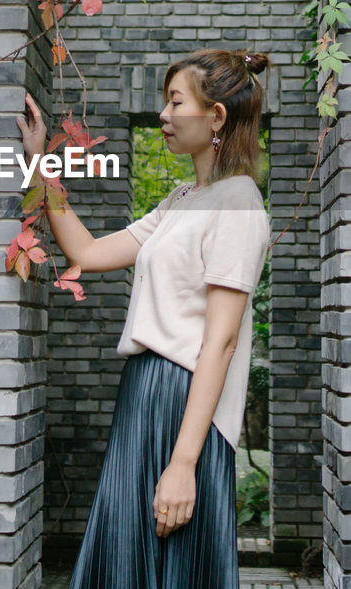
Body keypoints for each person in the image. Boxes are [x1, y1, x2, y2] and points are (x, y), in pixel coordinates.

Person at [16, 48, 273, 588]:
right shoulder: (182, 200)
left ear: (216, 117)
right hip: (144, 392)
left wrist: (182, 465)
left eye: (176, 102)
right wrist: (40, 160)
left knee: (172, 561)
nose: (163, 114)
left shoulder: (239, 204)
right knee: (127, 557)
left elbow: (221, 343)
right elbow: (86, 252)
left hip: (183, 403)